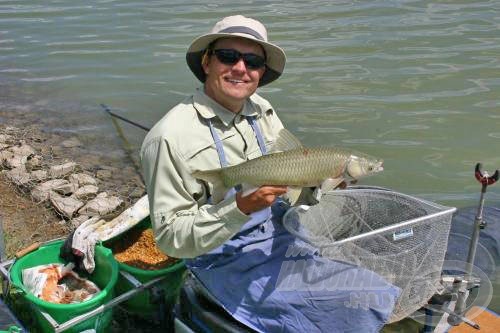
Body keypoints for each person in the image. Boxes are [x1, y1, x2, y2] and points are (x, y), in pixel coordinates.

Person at [140, 15, 400, 332]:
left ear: (262, 72)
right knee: (335, 310)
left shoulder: (261, 110)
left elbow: (293, 184)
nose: (240, 68)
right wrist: (238, 208)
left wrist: (319, 187)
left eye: (252, 61)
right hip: (221, 263)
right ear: (207, 62)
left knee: (371, 291)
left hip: (278, 238)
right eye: (228, 57)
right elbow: (169, 240)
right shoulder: (169, 137)